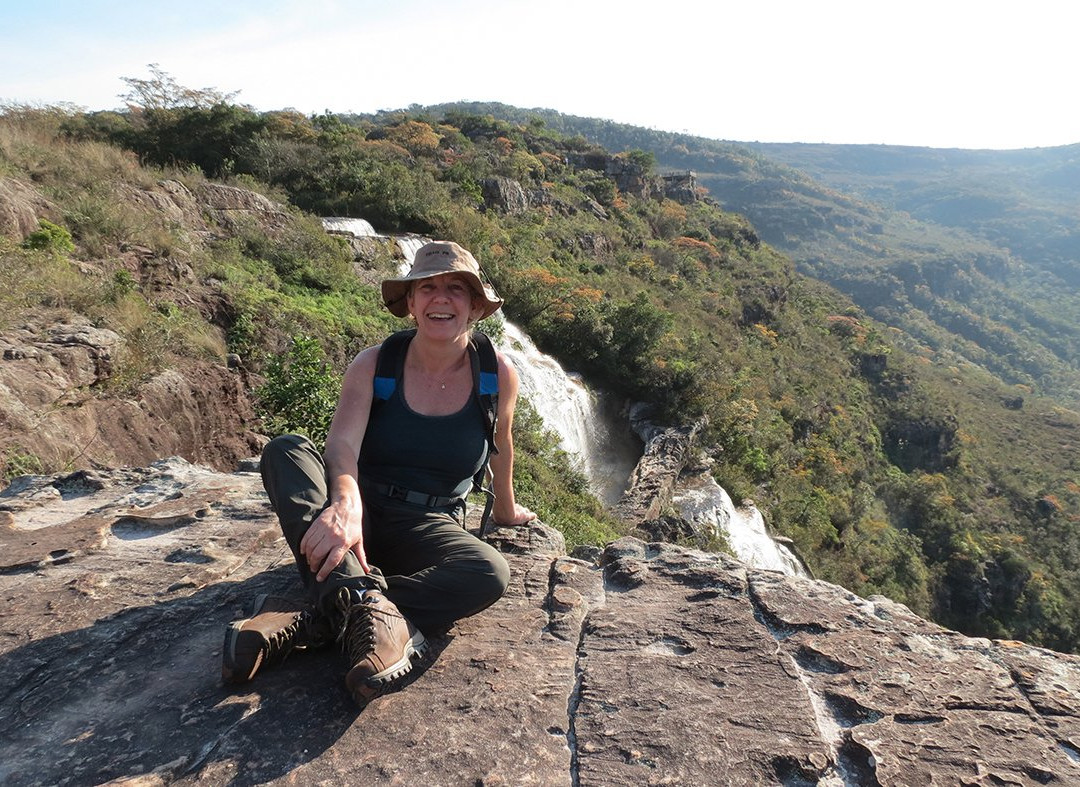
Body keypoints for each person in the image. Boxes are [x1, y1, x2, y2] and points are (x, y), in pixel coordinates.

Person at [222, 240, 536, 705]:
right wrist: (345, 503)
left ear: (474, 306)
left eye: (456, 288)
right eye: (427, 287)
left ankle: (326, 612)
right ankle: (374, 616)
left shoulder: (496, 374)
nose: (441, 298)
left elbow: (501, 444)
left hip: (427, 524)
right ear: (410, 302)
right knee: (287, 450)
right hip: (358, 513)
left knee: (488, 572)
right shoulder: (375, 364)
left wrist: (505, 511)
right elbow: (342, 445)